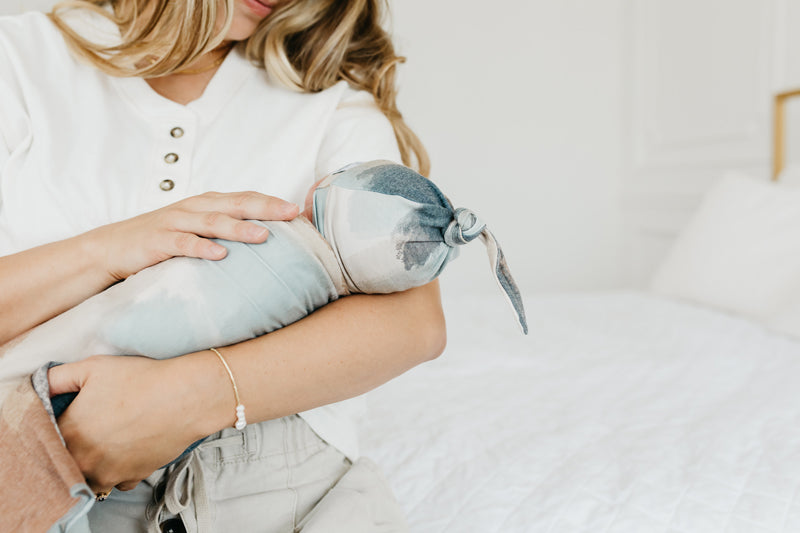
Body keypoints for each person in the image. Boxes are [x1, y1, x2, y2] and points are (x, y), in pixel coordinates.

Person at [0, 1, 447, 531]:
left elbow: (415, 325)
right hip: (33, 451)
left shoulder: (327, 97)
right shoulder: (20, 60)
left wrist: (194, 396)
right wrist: (110, 250)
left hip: (276, 472)